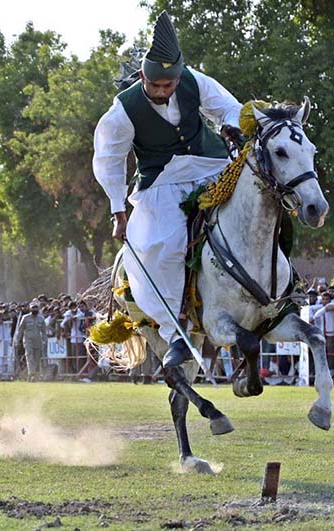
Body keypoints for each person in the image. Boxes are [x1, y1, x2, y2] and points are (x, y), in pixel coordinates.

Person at [93, 11, 243, 368]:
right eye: (156, 85)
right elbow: (109, 160)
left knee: (259, 208)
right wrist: (118, 211)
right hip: (162, 183)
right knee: (162, 246)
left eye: (169, 85)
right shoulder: (122, 110)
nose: (163, 92)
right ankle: (175, 330)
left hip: (212, 167)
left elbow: (229, 108)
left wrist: (233, 129)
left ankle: (282, 291)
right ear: (143, 75)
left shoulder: (194, 81)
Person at [14, 301, 47, 381]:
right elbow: (20, 330)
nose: (34, 309)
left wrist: (44, 341)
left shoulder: (41, 319)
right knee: (29, 356)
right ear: (30, 308)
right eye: (33, 308)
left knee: (37, 358)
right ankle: (31, 374)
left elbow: (44, 331)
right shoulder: (25, 318)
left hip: (38, 341)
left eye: (36, 307)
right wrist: (17, 340)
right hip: (28, 340)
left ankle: (36, 374)